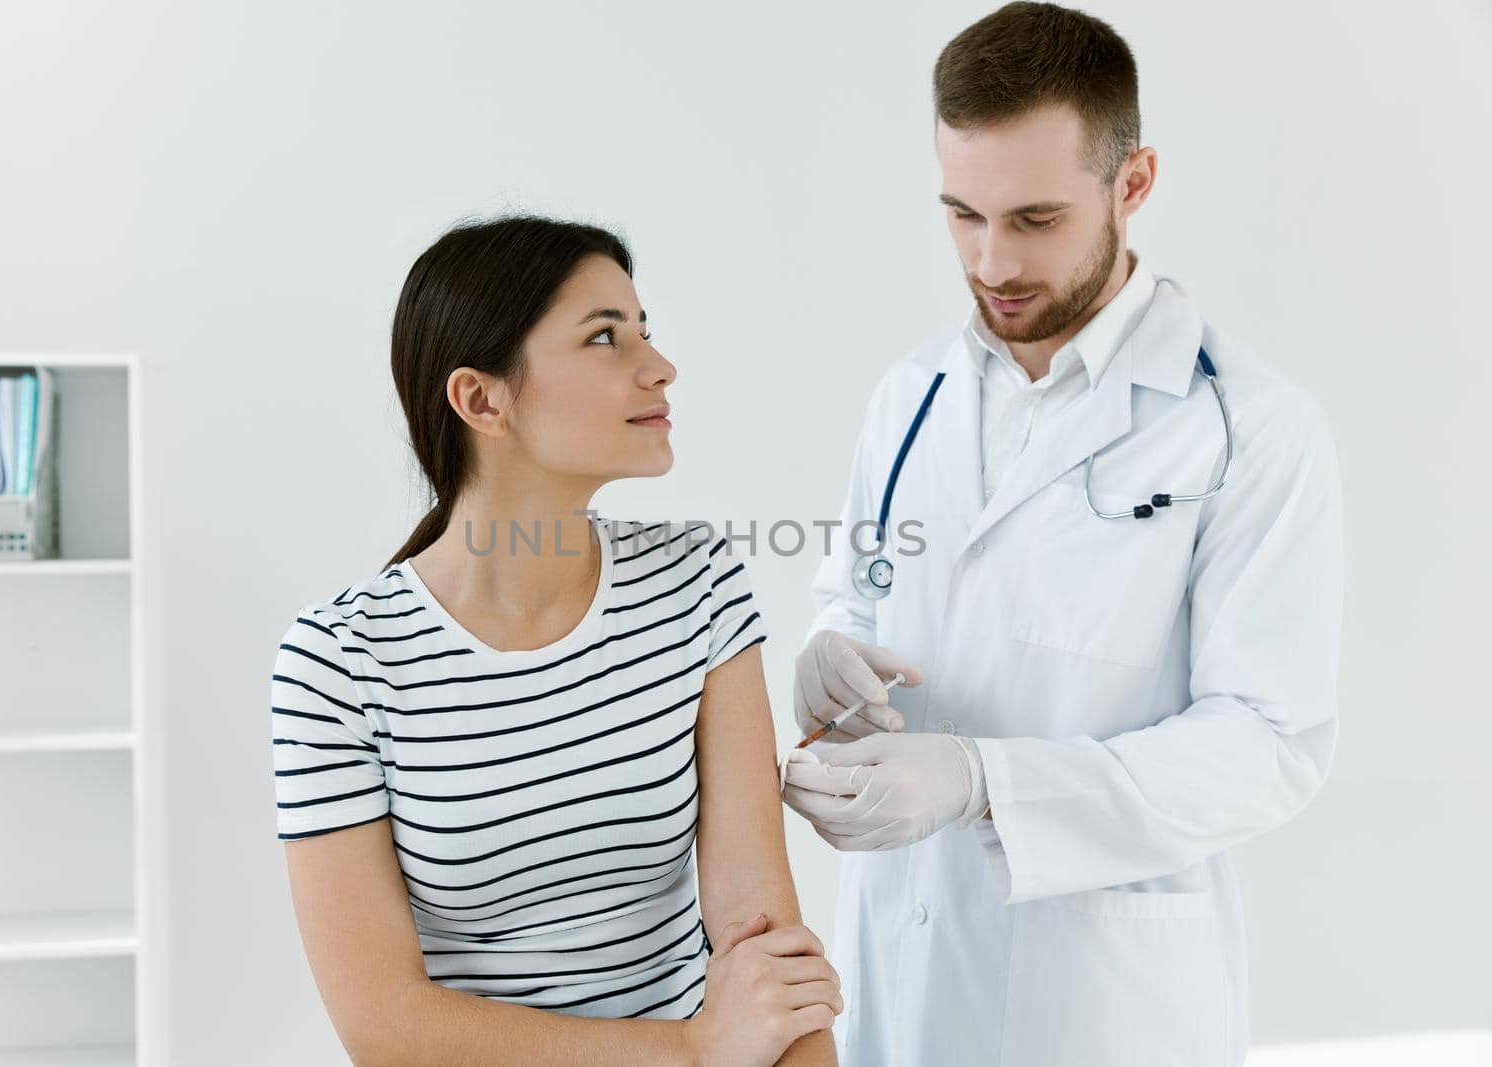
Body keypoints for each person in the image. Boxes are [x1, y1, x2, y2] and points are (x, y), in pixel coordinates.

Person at [780, 4, 1344, 1065]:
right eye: (961, 214)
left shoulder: (1249, 430)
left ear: (1131, 184)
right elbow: (855, 590)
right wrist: (830, 655)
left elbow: (1268, 744)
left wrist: (986, 779)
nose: (992, 262)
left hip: (1100, 1004)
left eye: (1034, 220)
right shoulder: (910, 397)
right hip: (899, 971)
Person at [269, 215, 840, 1066]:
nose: (659, 366)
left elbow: (762, 939)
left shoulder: (698, 584)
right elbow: (384, 1025)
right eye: (605, 337)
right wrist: (688, 1050)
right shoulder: (337, 663)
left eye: (645, 329)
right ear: (482, 399)